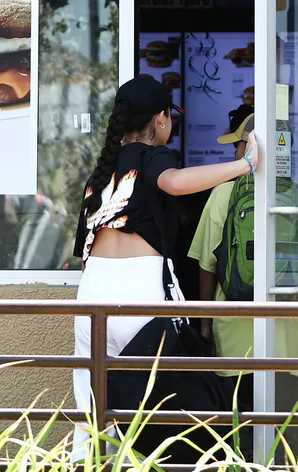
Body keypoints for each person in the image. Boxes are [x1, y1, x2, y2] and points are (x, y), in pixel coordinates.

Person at [71, 76, 261, 435]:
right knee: (152, 420)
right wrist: (245, 164)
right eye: (170, 117)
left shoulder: (99, 173)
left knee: (93, 419)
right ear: (160, 118)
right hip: (138, 295)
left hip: (90, 298)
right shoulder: (153, 155)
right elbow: (173, 182)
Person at [187, 106, 298, 418]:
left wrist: (205, 324)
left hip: (235, 338)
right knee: (285, 436)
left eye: (238, 146)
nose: (235, 153)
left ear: (251, 147)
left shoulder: (224, 192)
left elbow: (205, 264)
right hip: (289, 339)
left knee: (239, 431)